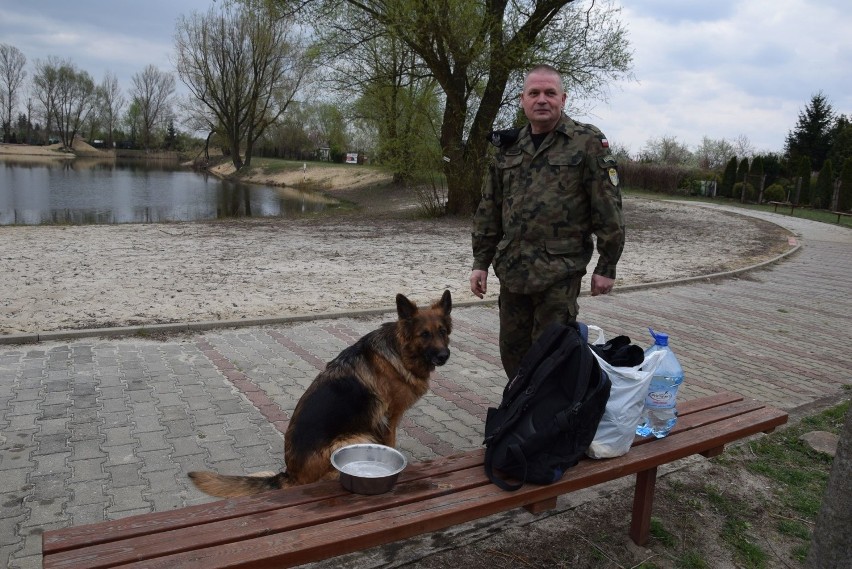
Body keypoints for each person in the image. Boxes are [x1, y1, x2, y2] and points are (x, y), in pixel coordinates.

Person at [469, 64, 625, 379]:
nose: (542, 99)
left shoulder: (587, 141)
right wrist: (480, 261)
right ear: (522, 100)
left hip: (560, 270)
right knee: (512, 350)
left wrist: (607, 266)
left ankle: (549, 418)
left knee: (551, 352)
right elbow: (490, 206)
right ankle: (520, 413)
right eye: (534, 93)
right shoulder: (509, 146)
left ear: (563, 99)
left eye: (550, 93)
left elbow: (608, 207)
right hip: (514, 270)